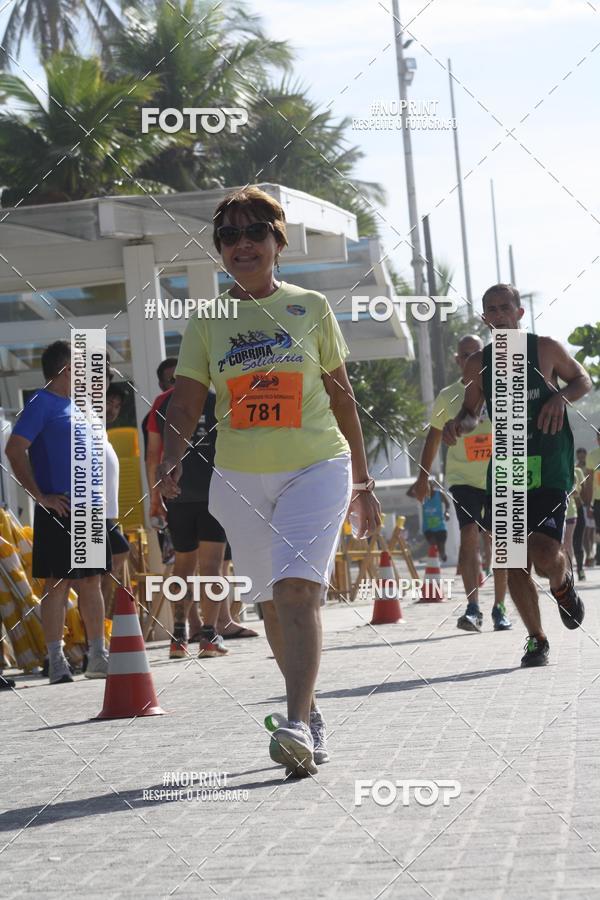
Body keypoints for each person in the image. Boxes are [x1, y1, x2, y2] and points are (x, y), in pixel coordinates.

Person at [156, 186, 381, 777]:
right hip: (239, 478)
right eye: (228, 236)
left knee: (297, 592)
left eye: (254, 231)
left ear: (278, 241)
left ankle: (296, 725)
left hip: (316, 465)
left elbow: (343, 399)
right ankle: (310, 711)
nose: (242, 244)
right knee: (270, 607)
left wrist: (362, 481)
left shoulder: (311, 308)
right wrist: (169, 459)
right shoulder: (208, 320)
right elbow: (184, 405)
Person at [442, 284, 591, 667]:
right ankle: (536, 639)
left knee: (543, 552)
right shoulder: (479, 364)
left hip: (549, 466)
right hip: (506, 469)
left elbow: (583, 379)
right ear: (485, 318)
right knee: (510, 560)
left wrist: (559, 397)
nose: (499, 315)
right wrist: (459, 423)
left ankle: (561, 584)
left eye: (505, 307)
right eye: (491, 310)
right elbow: (472, 410)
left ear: (519, 313)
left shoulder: (545, 348)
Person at [5, 340, 111, 684]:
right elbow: (14, 449)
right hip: (61, 507)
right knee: (58, 582)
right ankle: (56, 659)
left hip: (89, 506)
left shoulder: (78, 406)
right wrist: (40, 496)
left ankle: (98, 655)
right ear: (65, 369)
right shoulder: (41, 402)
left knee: (92, 580)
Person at [147, 385, 257, 659]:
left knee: (181, 567)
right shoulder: (221, 397)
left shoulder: (163, 403)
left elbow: (152, 455)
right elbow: (239, 446)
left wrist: (154, 497)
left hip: (177, 494)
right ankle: (209, 636)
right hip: (214, 492)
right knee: (212, 567)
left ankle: (178, 638)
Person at [410, 335, 511, 632]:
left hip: (499, 475)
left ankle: (500, 607)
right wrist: (422, 477)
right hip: (462, 478)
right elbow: (434, 436)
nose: (471, 360)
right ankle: (473, 608)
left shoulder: (501, 390)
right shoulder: (447, 395)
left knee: (498, 541)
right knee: (469, 535)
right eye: (465, 355)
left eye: (476, 354)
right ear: (458, 360)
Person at [104, 381, 130, 616]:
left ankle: (97, 626)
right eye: (108, 402)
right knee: (120, 550)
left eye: (117, 405)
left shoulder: (102, 433)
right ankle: (96, 626)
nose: (112, 409)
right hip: (93, 512)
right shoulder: (86, 428)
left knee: (96, 574)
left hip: (106, 515)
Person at [419, 479, 450, 561]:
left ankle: (442, 555)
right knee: (433, 545)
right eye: (426, 487)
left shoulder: (439, 494)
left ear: (433, 486)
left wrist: (446, 512)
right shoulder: (422, 496)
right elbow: (409, 493)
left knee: (441, 548)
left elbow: (447, 503)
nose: (428, 489)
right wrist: (419, 481)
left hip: (440, 527)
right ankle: (434, 558)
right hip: (428, 528)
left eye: (430, 486)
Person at [585, 429, 600, 564]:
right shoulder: (592, 456)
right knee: (598, 529)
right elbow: (589, 482)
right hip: (598, 500)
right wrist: (589, 504)